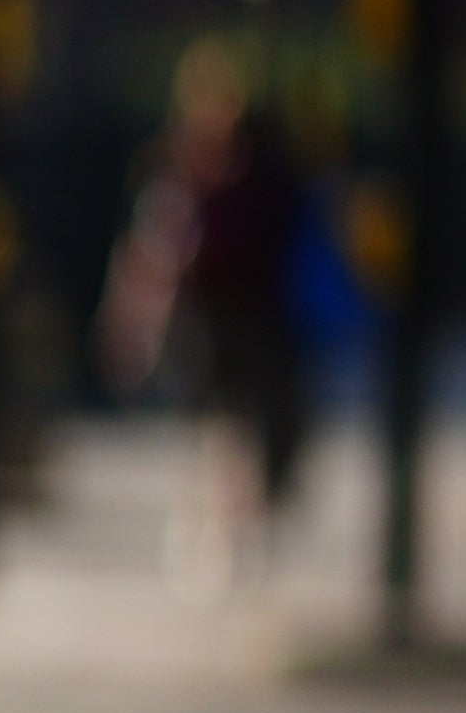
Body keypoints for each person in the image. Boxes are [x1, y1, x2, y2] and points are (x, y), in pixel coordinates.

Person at [102, 38, 315, 596]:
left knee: (256, 434)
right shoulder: (175, 180)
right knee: (216, 436)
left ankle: (245, 529)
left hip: (255, 324)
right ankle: (215, 535)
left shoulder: (258, 175)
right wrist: (132, 324)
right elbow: (149, 259)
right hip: (202, 330)